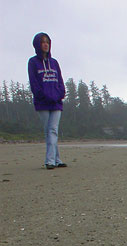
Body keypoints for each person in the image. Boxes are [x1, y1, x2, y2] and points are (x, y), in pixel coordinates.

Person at [28, 33, 67, 169]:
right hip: (42, 102)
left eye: (47, 42)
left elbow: (60, 81)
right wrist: (43, 96)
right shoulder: (33, 62)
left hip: (56, 102)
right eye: (43, 42)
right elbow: (34, 83)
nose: (45, 44)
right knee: (49, 131)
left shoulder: (54, 62)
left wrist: (60, 93)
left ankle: (53, 160)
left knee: (53, 130)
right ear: (37, 45)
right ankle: (52, 160)